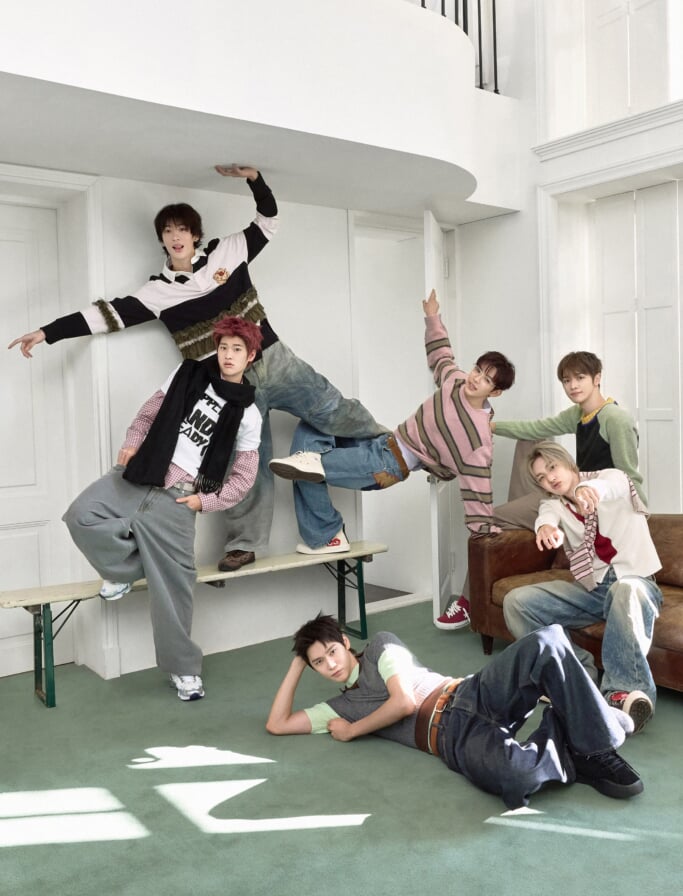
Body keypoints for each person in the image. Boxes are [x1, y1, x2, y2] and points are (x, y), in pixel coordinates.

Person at [9, 164, 384, 571]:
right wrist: (47, 333)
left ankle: (392, 444)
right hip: (228, 388)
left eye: (182, 229)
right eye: (168, 231)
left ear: (195, 235)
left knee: (333, 409)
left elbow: (268, 222)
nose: (176, 237)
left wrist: (255, 180)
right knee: (248, 464)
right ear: (162, 240)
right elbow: (103, 316)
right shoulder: (157, 293)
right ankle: (244, 544)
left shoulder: (227, 253)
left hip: (275, 360)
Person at [63, 316, 263, 702]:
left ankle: (184, 670)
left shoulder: (249, 415)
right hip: (141, 474)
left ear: (250, 356)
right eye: (223, 347)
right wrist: (131, 443)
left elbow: (243, 477)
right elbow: (148, 414)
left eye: (237, 349)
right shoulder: (187, 374)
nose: (228, 355)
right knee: (81, 515)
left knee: (175, 589)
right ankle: (123, 571)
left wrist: (205, 501)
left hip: (180, 497)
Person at [265, 613, 644, 809]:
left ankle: (597, 747)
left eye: (331, 651)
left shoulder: (381, 647)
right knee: (516, 780)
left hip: (469, 693)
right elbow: (278, 724)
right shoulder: (338, 706)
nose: (330, 664)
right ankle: (578, 722)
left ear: (346, 643)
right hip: (452, 740)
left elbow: (404, 703)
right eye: (319, 663)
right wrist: (298, 661)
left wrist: (352, 730)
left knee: (549, 640)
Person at [268, 289, 515, 558]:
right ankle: (327, 533)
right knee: (312, 426)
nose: (476, 379)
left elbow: (478, 487)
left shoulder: (477, 439)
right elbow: (441, 357)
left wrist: (484, 529)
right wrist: (432, 317)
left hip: (386, 465)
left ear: (495, 392)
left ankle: (326, 534)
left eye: (486, 380)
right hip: (383, 440)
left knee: (302, 466)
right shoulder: (455, 381)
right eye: (478, 369)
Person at [439, 350, 645, 631]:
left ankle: (467, 602)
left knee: (489, 519)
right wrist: (488, 426)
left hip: (592, 504)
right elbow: (537, 427)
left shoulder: (616, 419)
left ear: (597, 379)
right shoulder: (579, 414)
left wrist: (636, 522)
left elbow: (629, 478)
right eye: (567, 380)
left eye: (580, 378)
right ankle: (524, 526)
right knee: (532, 439)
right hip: (570, 493)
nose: (573, 386)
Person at [502, 440, 662, 733]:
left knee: (625, 590)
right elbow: (547, 516)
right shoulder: (553, 504)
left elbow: (610, 486)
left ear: (567, 462)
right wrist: (545, 527)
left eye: (553, 467)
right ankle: (576, 672)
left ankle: (622, 694)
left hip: (636, 581)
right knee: (516, 602)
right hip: (594, 590)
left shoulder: (611, 478)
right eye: (541, 477)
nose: (550, 478)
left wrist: (588, 490)